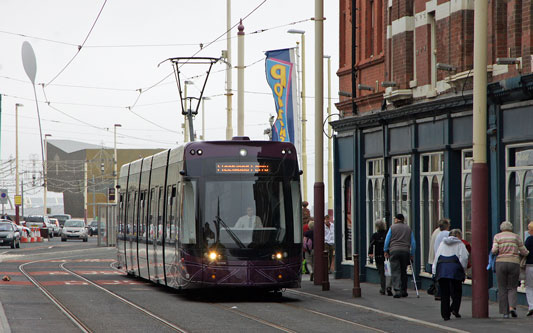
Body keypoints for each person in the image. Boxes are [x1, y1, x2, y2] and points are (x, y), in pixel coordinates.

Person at [491, 221, 529, 318]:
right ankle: (512, 307)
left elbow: (494, 250)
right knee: (512, 287)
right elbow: (524, 251)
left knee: (502, 287)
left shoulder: (497, 236)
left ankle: (505, 312)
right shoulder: (516, 237)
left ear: (501, 228)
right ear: (511, 228)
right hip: (514, 262)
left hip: (501, 263)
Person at [432, 229, 469, 321]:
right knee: (457, 291)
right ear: (458, 236)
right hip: (455, 270)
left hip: (442, 270)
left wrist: (434, 271)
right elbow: (464, 258)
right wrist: (463, 270)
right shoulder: (460, 244)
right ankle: (454, 308)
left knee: (445, 293)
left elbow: (436, 257)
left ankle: (445, 314)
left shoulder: (443, 243)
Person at [384, 214, 416, 298]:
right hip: (405, 251)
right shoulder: (408, 228)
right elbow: (413, 242)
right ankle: (404, 290)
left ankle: (397, 290)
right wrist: (412, 254)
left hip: (394, 251)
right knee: (403, 271)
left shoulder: (392, 228)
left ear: (397, 220)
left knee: (395, 271)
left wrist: (385, 250)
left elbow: (387, 240)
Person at [368, 219, 391, 295]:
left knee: (381, 273)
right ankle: (389, 286)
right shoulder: (387, 234)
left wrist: (370, 253)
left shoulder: (375, 235)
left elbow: (371, 244)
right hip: (387, 255)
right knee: (389, 272)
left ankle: (383, 288)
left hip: (379, 256)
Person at [432, 219, 451, 301]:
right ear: (446, 226)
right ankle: (442, 293)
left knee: (440, 277)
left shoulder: (438, 234)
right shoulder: (447, 234)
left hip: (438, 258)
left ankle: (438, 293)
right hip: (446, 258)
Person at [524, 221, 533, 317]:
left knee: (530, 286)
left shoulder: (529, 239)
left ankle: (531, 306)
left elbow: (524, 251)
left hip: (530, 265)